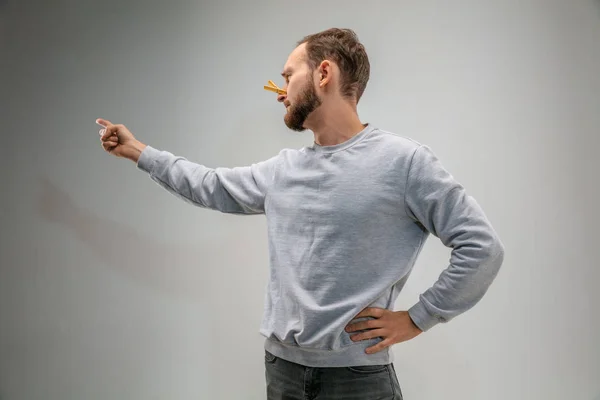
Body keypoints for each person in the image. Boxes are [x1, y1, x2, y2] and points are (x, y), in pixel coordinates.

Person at [97, 28, 504, 400]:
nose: (281, 90)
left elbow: (481, 248)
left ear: (323, 73)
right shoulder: (283, 169)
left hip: (358, 382)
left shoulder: (404, 162)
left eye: (289, 76)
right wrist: (138, 152)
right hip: (283, 372)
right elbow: (211, 185)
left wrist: (417, 318)